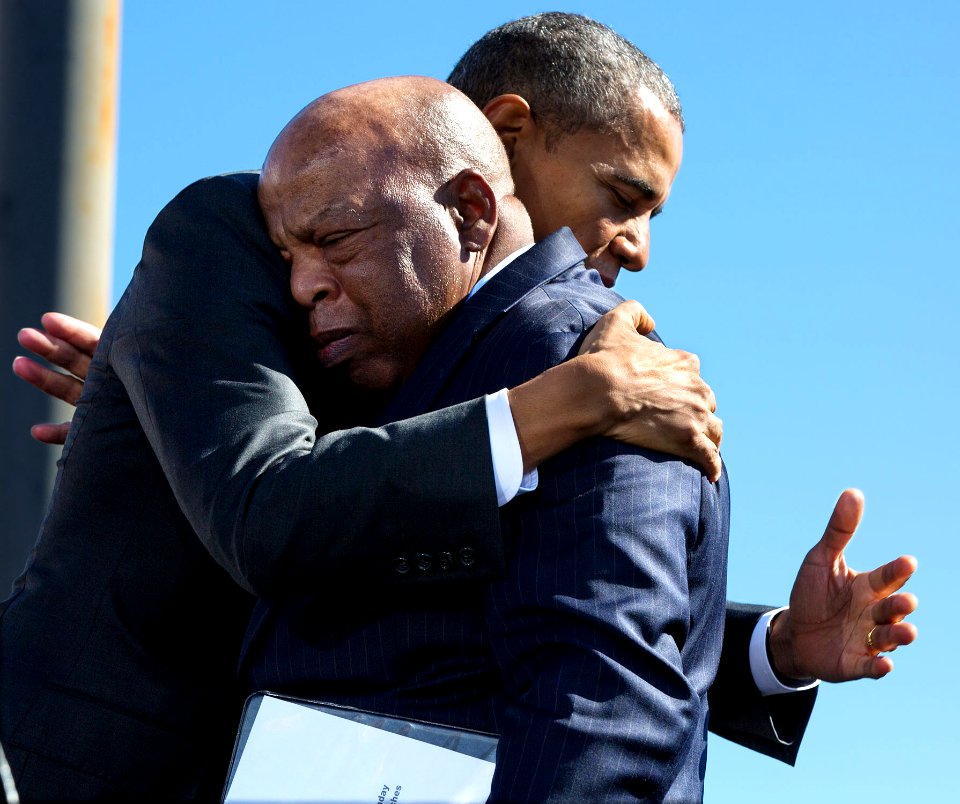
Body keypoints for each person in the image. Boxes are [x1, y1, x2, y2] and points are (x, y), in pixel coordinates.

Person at [11, 10, 917, 786]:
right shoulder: (236, 239)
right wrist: (568, 401)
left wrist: (771, 651)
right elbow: (269, 503)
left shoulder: (493, 347)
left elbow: (526, 618)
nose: (638, 247)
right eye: (623, 194)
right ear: (504, 142)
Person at [244, 72, 729, 802]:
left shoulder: (592, 357)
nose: (638, 250)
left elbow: (600, 702)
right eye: (290, 256)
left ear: (472, 207)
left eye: (336, 240)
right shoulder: (384, 364)